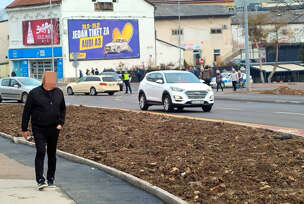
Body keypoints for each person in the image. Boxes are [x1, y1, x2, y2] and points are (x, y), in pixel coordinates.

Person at [21, 71, 66, 190]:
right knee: (41, 151)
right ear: (45, 80)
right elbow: (27, 111)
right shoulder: (34, 93)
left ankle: (50, 178)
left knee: (52, 154)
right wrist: (24, 129)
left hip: (54, 128)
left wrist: (61, 123)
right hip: (39, 128)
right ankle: (40, 180)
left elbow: (62, 109)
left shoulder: (59, 93)